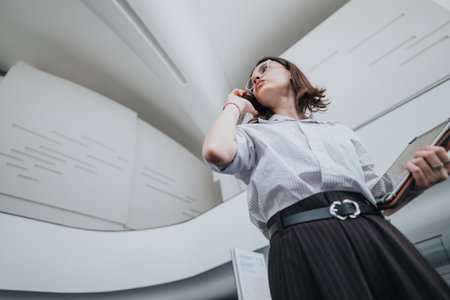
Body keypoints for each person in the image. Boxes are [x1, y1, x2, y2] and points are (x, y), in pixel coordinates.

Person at [202, 56, 450, 300]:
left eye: (264, 68)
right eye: (251, 80)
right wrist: (234, 105)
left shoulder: (340, 132)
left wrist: (414, 184)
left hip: (370, 230)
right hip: (300, 240)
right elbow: (216, 151)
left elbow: (378, 197)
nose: (256, 77)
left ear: (290, 72)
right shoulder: (250, 135)